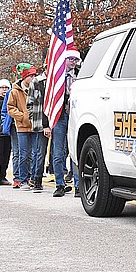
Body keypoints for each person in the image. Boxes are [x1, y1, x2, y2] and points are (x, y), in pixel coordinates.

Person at [45, 49, 80, 197]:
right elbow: (47, 100)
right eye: (70, 59)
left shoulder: (80, 76)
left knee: (74, 152)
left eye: (75, 60)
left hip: (74, 115)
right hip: (58, 116)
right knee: (58, 152)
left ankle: (78, 185)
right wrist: (47, 123)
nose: (72, 62)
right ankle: (60, 184)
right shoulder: (55, 77)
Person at [6, 66, 38, 191]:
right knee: (23, 154)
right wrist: (23, 117)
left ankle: (32, 177)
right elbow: (10, 108)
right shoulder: (15, 91)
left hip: (35, 126)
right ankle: (23, 179)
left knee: (34, 154)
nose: (33, 78)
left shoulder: (36, 89)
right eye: (31, 76)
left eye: (34, 76)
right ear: (24, 77)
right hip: (22, 127)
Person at [26, 66, 49, 193]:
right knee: (40, 152)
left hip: (55, 121)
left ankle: (60, 181)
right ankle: (37, 179)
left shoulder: (57, 81)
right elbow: (29, 102)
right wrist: (32, 117)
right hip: (40, 121)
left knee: (58, 153)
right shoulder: (37, 81)